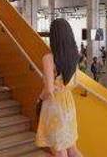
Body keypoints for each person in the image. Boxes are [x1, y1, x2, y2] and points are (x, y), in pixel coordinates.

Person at [36, 18, 82, 157]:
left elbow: (49, 90)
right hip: (68, 104)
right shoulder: (75, 56)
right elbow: (75, 83)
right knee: (72, 147)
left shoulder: (49, 58)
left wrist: (39, 98)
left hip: (54, 106)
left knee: (59, 150)